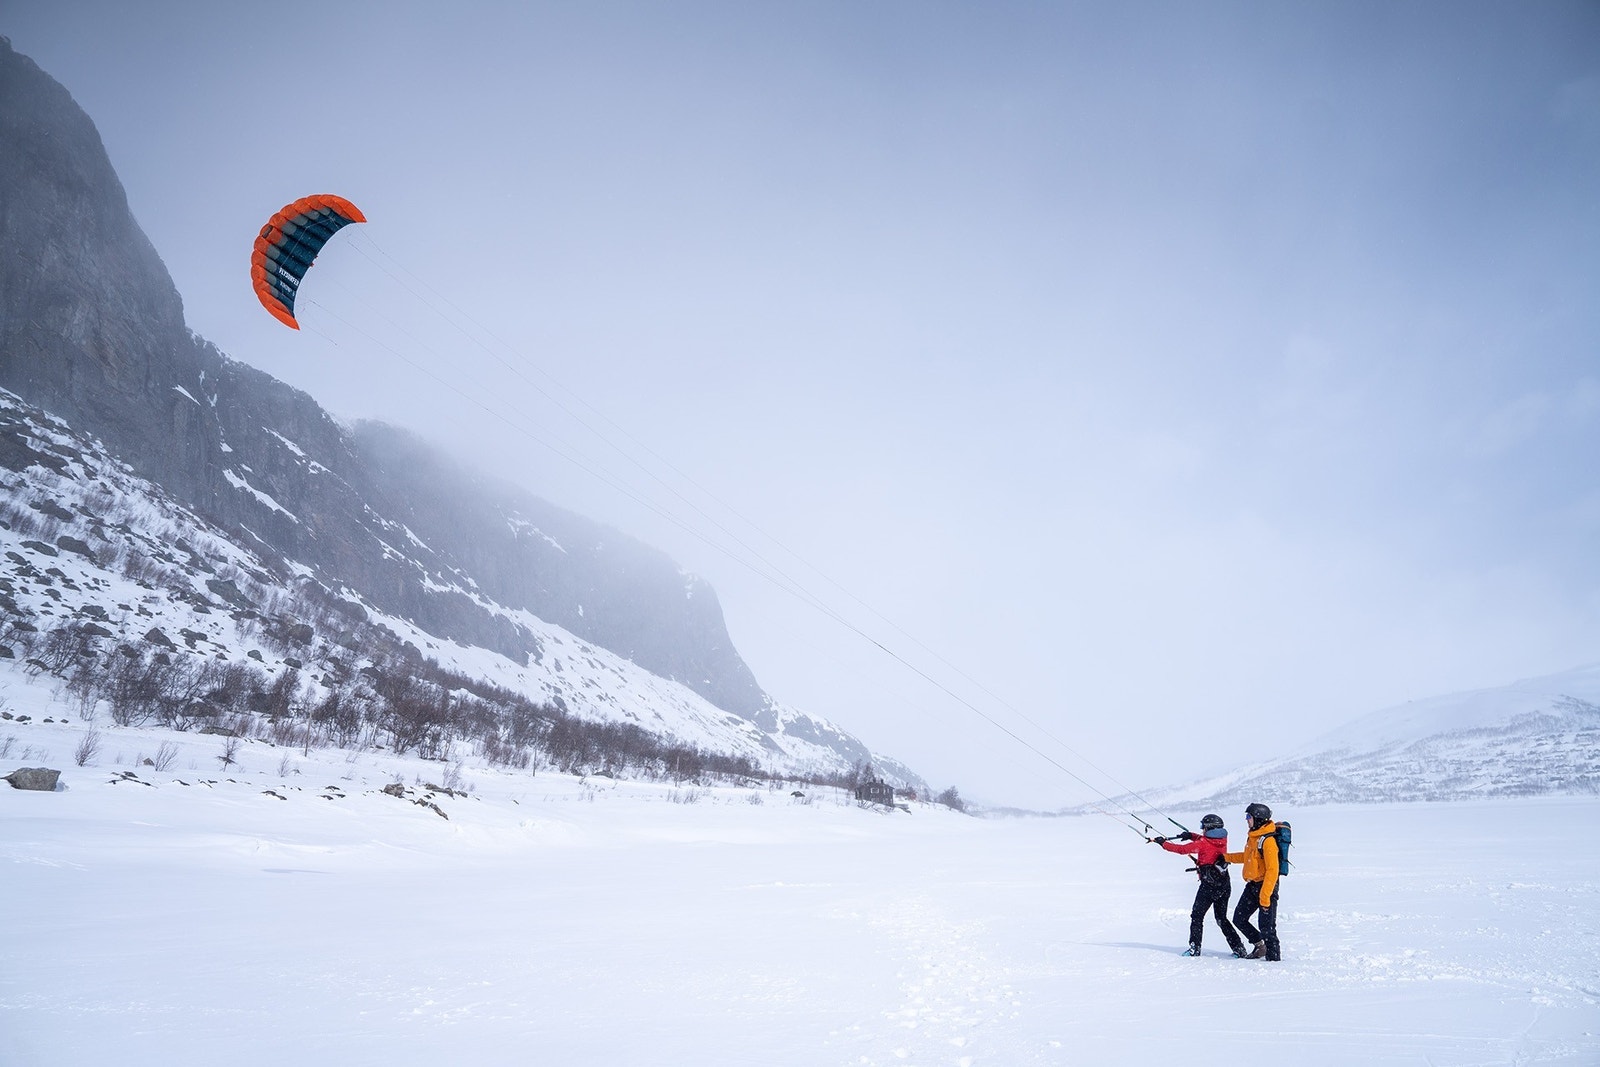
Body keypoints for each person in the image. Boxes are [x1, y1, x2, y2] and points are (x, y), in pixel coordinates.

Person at [1152, 813, 1248, 957]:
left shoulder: (1202, 843)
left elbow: (1182, 850)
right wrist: (1190, 835)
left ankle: (1194, 948)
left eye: (1203, 827)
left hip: (1209, 886)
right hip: (1224, 884)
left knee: (1197, 916)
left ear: (1209, 828)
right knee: (1221, 918)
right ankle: (1239, 948)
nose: (1202, 830)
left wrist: (1162, 843)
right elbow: (1204, 840)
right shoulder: (1222, 839)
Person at [1226, 801, 1281, 961]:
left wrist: (1265, 897)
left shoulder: (1268, 841)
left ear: (1258, 818)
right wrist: (1227, 858)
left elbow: (1273, 870)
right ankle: (1259, 945)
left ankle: (1274, 962)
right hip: (1252, 886)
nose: (1246, 820)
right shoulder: (1253, 838)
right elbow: (1247, 857)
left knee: (1267, 928)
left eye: (1248, 816)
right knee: (1239, 918)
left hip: (1267, 887)